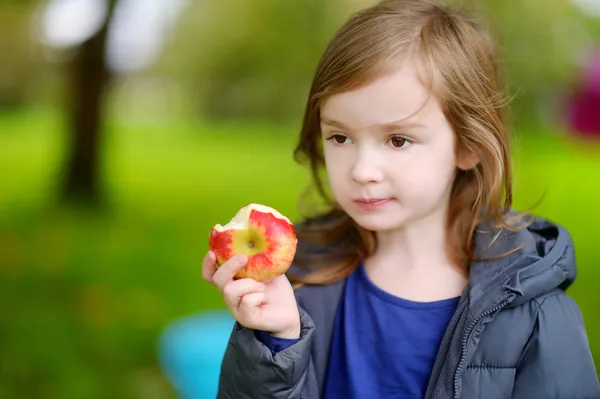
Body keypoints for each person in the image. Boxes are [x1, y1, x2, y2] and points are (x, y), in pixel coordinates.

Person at [201, 0, 600, 398]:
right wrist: (277, 343)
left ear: (468, 145)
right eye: (340, 137)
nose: (362, 169)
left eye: (398, 139)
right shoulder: (300, 282)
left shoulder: (535, 315)